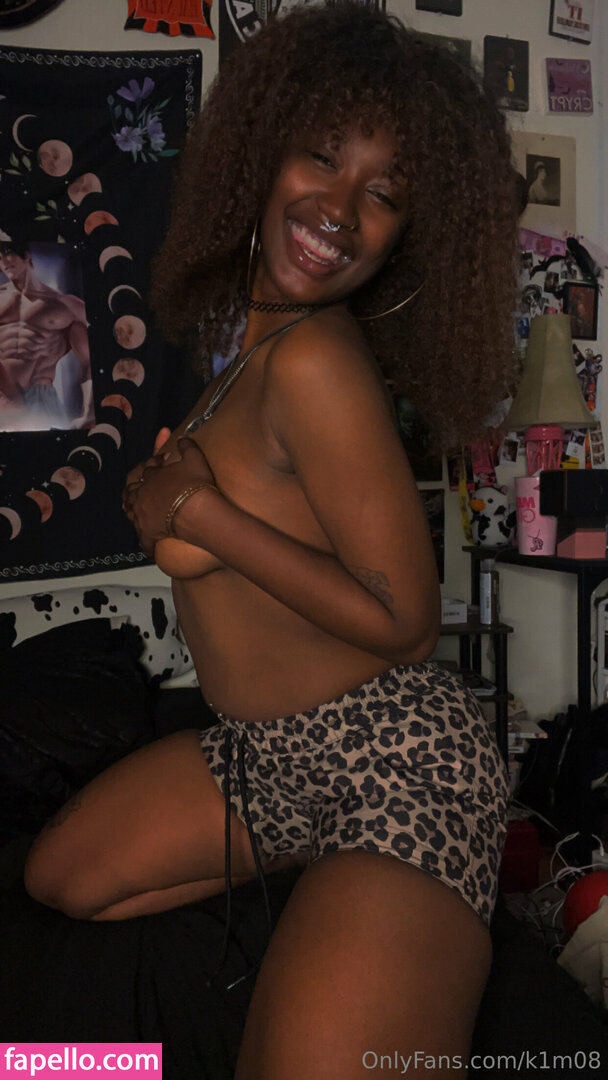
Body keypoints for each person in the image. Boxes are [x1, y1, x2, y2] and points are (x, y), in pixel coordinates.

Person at [24, 5, 520, 1077]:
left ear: (409, 232)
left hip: (394, 757)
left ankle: (356, 880)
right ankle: (310, 851)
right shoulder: (242, 356)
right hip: (264, 753)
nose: (339, 209)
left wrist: (201, 518)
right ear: (262, 150)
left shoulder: (315, 359)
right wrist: (176, 500)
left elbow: (404, 620)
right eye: (323, 157)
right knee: (59, 878)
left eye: (384, 193)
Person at [0, 241, 92, 431]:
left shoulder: (66, 304)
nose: (4, 261)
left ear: (26, 255)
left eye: (8, 253)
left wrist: (89, 412)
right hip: (4, 400)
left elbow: (92, 357)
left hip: (40, 398)